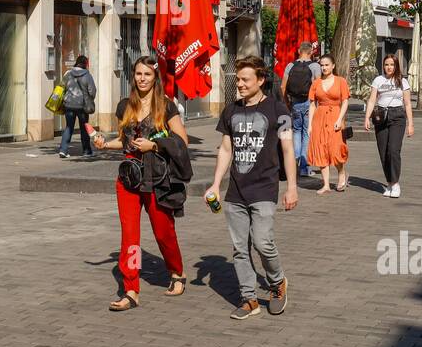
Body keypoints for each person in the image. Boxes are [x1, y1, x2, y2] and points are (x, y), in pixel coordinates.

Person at [90, 56, 189, 311]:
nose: (142, 78)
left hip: (156, 179)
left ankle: (177, 272)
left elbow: (182, 142)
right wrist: (104, 143)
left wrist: (154, 145)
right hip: (128, 179)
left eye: (147, 74)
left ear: (155, 78)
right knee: (130, 236)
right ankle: (131, 289)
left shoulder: (166, 107)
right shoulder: (125, 106)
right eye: (138, 74)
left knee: (163, 232)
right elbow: (124, 142)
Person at [206, 55, 299, 320]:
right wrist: (215, 184)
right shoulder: (231, 111)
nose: (241, 85)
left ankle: (277, 282)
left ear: (261, 80)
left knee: (263, 242)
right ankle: (249, 299)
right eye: (239, 80)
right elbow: (226, 149)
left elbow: (288, 148)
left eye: (246, 80)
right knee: (239, 248)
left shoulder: (278, 110)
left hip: (264, 187)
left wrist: (292, 187)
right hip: (236, 190)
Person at [364, 53, 414, 197]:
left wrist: (411, 124)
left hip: (397, 117)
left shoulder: (402, 81)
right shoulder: (378, 80)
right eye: (386, 64)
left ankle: (396, 183)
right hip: (381, 117)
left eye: (392, 64)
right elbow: (372, 100)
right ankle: (390, 182)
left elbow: (407, 103)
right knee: (383, 152)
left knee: (393, 150)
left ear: (396, 66)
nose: (389, 67)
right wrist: (367, 117)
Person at [306, 54, 349, 193]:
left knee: (336, 149)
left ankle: (341, 174)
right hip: (319, 118)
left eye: (326, 65)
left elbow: (345, 101)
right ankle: (325, 184)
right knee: (320, 149)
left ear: (333, 66)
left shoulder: (340, 81)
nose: (324, 67)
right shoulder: (316, 83)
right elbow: (312, 104)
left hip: (335, 116)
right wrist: (310, 125)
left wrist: (339, 119)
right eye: (322, 65)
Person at [281, 41, 320, 177]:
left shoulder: (290, 65)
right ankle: (304, 167)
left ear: (299, 51)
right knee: (306, 133)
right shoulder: (315, 66)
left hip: (295, 103)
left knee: (296, 132)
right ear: (311, 52)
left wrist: (287, 103)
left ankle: (295, 163)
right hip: (309, 103)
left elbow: (283, 87)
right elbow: (317, 86)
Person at [58, 55, 97, 159]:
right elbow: (92, 91)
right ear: (85, 64)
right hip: (82, 106)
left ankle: (63, 150)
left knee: (68, 127)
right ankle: (86, 151)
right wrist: (90, 98)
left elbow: (62, 87)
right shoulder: (87, 75)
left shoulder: (68, 73)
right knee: (84, 128)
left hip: (69, 105)